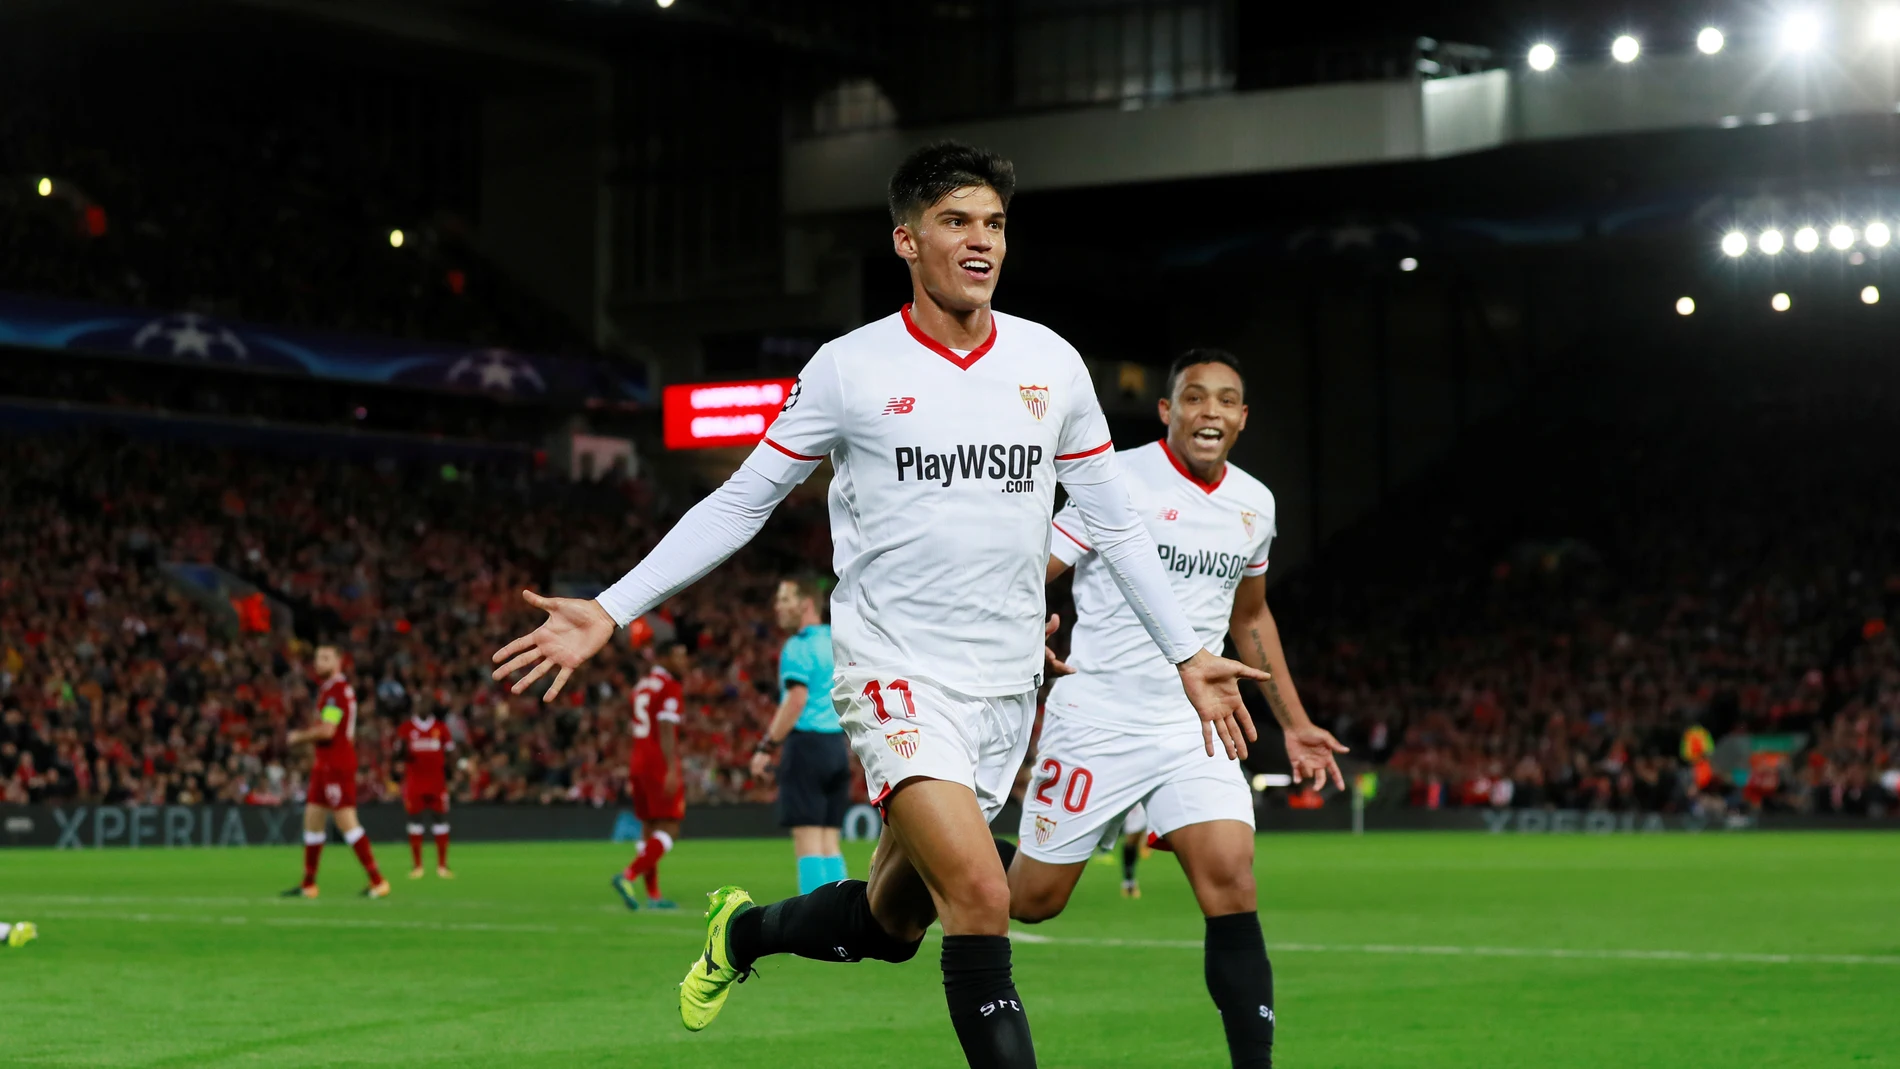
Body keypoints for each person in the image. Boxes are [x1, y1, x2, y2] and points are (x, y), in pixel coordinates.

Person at [490, 140, 1266, 1069]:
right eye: (956, 222)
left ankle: (740, 937)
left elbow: (1114, 522)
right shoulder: (849, 369)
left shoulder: (1050, 365)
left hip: (1006, 687)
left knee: (895, 923)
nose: (981, 242)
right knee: (982, 893)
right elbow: (743, 500)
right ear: (906, 239)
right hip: (895, 675)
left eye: (994, 224)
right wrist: (613, 608)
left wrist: (1185, 652)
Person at [1010, 349, 1348, 1069]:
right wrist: (1018, 623)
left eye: (1227, 400)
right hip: (1098, 716)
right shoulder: (1118, 479)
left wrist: (1294, 722)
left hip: (1199, 720)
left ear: (1243, 417)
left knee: (1232, 874)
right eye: (1195, 398)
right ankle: (939, 860)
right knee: (1030, 900)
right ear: (1167, 410)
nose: (1211, 412)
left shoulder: (1255, 503)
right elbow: (1032, 567)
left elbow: (1251, 616)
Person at [750, 576, 849, 893]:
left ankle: (814, 933)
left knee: (807, 841)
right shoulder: (838, 639)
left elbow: (796, 700)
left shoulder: (799, 645)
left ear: (806, 603)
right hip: (837, 745)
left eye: (784, 599)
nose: (777, 606)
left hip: (806, 746)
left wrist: (767, 746)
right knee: (830, 841)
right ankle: (842, 927)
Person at [282, 645, 389, 899]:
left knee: (346, 821)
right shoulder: (329, 690)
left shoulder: (337, 692)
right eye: (318, 657)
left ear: (339, 662)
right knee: (313, 818)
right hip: (324, 764)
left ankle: (378, 881)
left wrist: (299, 737)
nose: (319, 662)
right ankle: (308, 884)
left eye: (326, 658)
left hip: (336, 764)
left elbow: (328, 730)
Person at [611, 642, 689, 910]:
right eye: (679, 656)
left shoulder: (642, 686)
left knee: (649, 829)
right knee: (671, 828)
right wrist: (670, 768)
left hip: (638, 761)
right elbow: (666, 728)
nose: (684, 662)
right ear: (666, 657)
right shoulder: (670, 687)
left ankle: (653, 896)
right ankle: (627, 875)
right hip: (658, 762)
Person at [396, 707, 455, 879]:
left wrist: (451, 775)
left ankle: (442, 866)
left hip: (437, 783)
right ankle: (417, 867)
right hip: (415, 784)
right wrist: (402, 748)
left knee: (440, 820)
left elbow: (451, 752)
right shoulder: (407, 728)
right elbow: (399, 755)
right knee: (415, 822)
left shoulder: (440, 727)